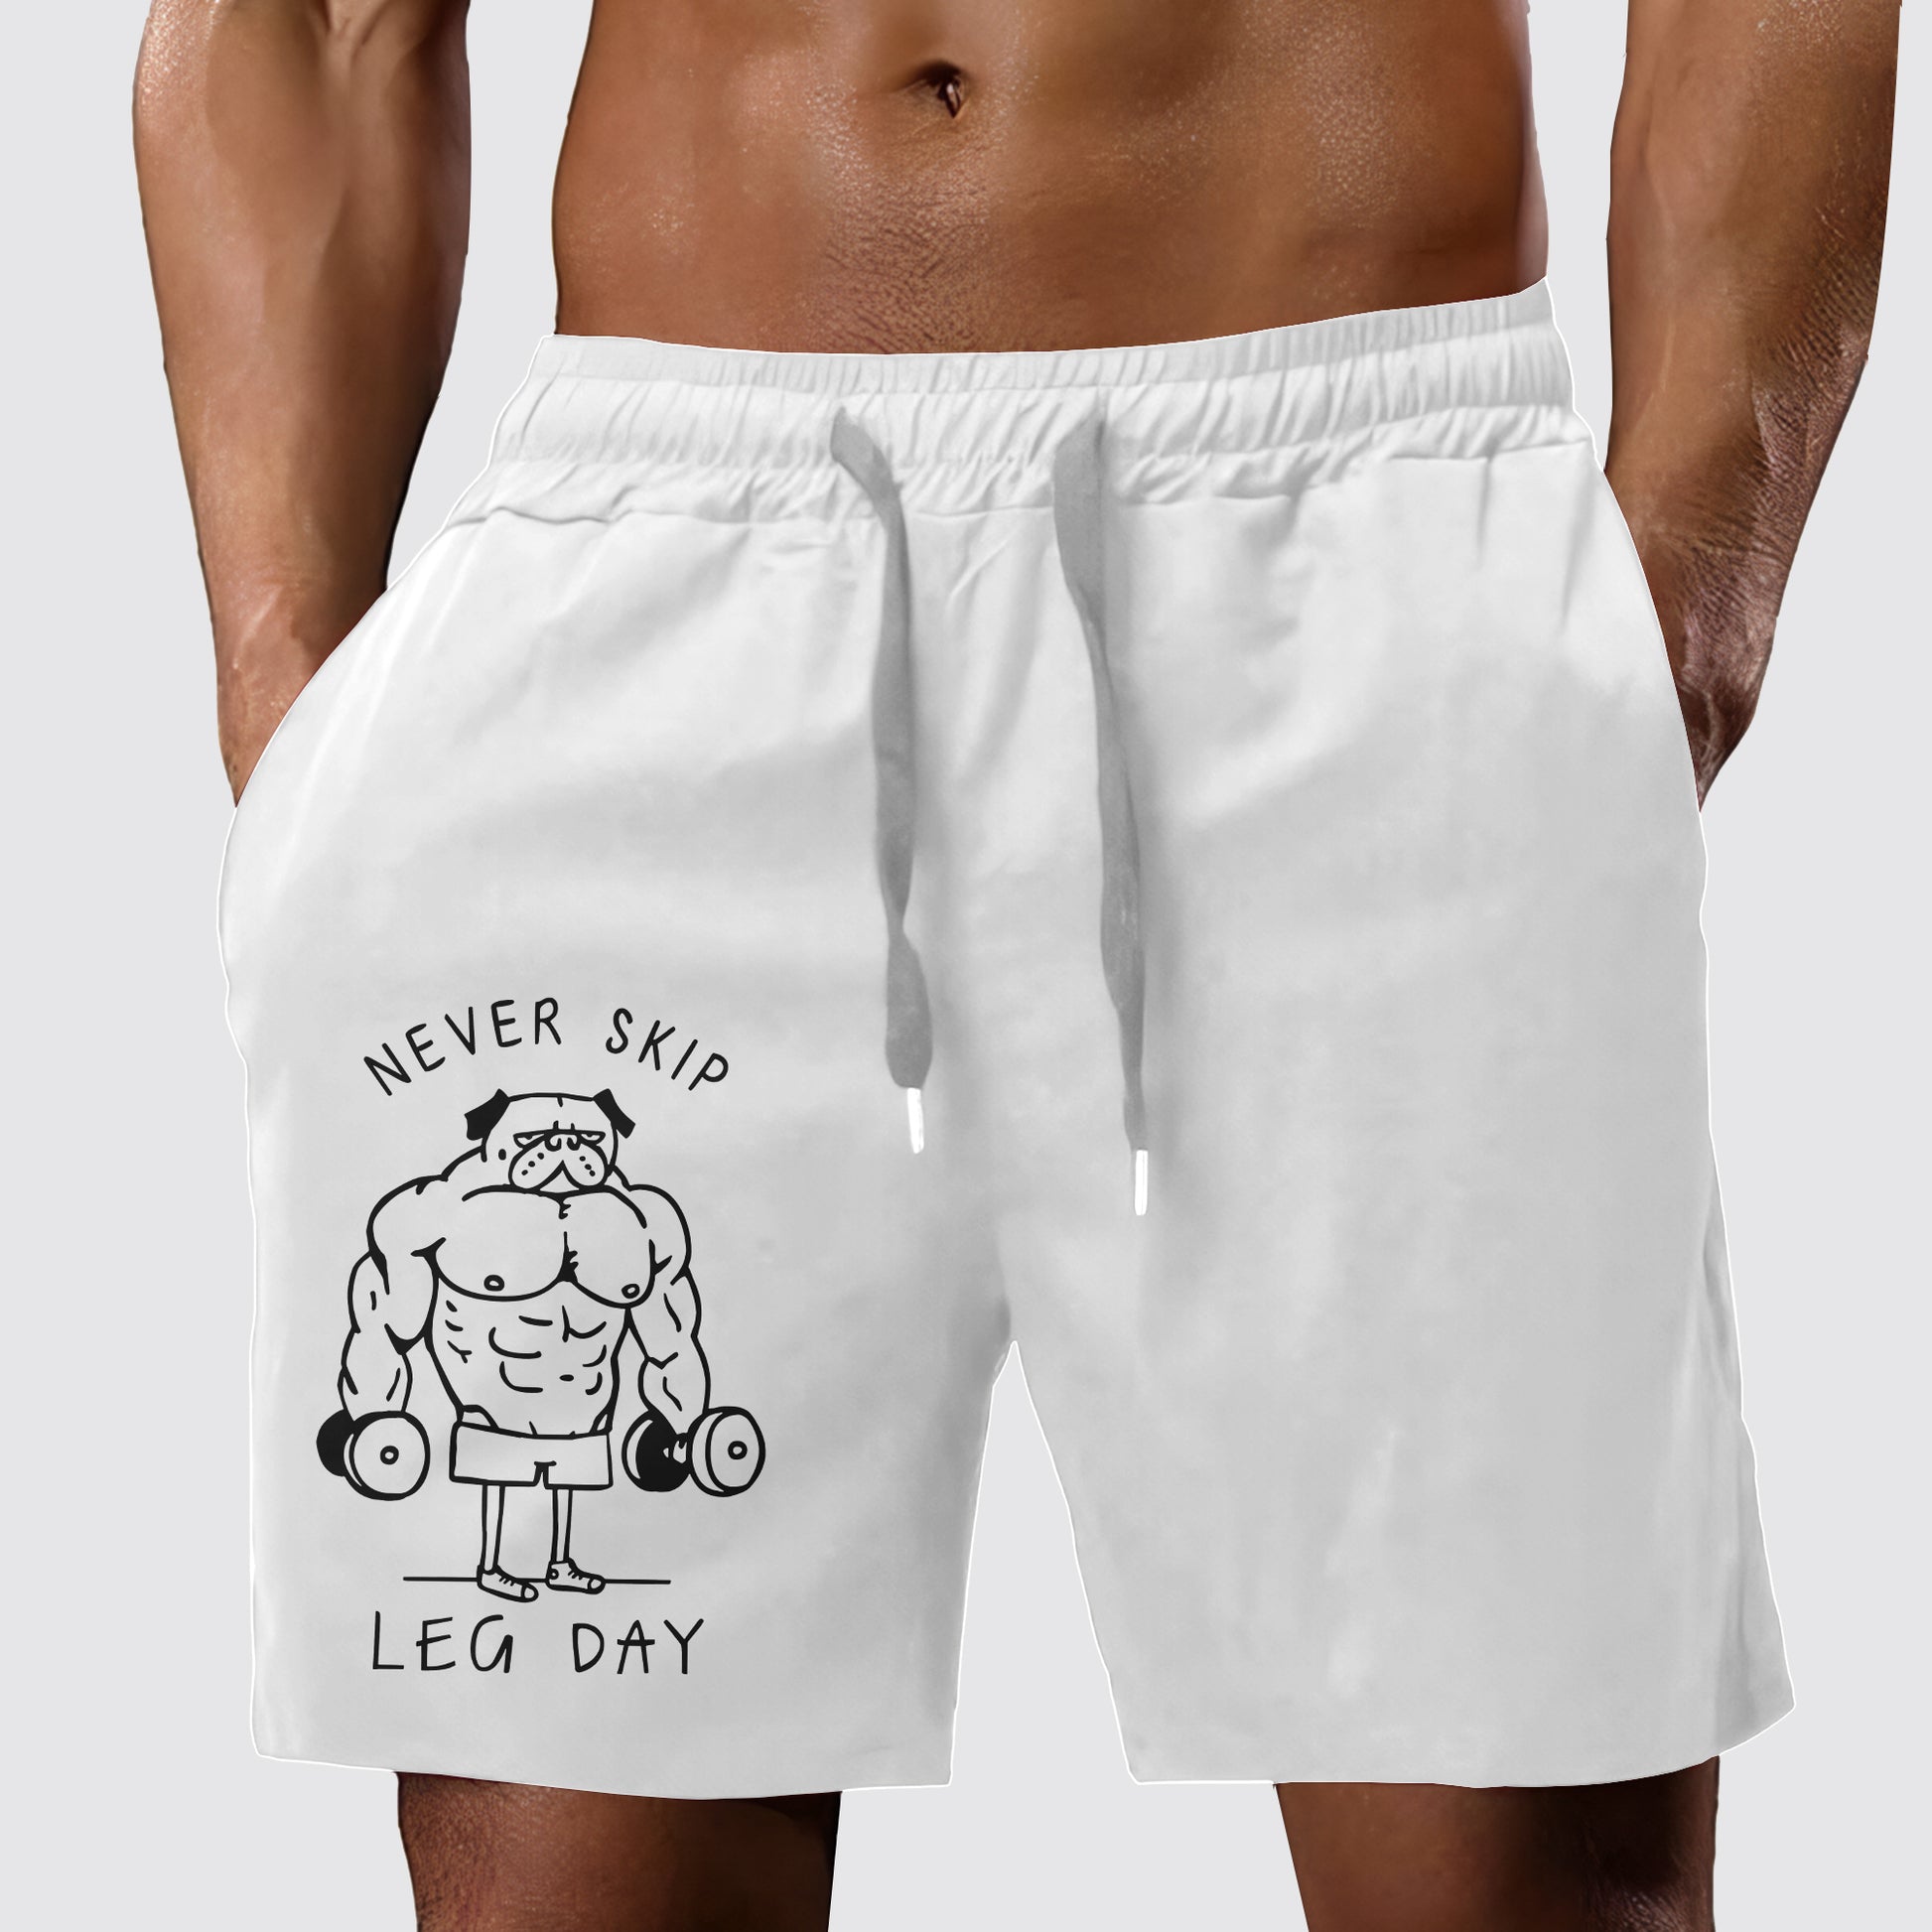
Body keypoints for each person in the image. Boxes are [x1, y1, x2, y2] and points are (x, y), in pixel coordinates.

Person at [133, 2, 1897, 1927]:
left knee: (1514, 1864)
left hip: (1357, 563)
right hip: (641, 602)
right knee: (569, 1878)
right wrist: (289, 709)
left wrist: (1680, 615)